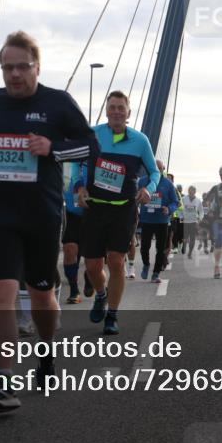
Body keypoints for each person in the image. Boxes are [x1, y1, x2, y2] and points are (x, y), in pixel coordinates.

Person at [0, 31, 95, 412]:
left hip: (42, 214)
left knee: (41, 295)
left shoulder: (58, 103)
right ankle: (2, 383)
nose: (14, 74)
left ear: (37, 67)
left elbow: (91, 145)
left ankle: (47, 351)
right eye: (7, 68)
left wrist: (53, 148)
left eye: (22, 67)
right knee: (0, 293)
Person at [78, 91, 159, 336]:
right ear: (106, 111)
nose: (116, 112)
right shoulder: (92, 134)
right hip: (95, 207)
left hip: (124, 208)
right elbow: (77, 163)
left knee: (115, 260)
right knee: (92, 266)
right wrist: (79, 187)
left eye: (120, 108)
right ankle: (101, 294)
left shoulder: (140, 140)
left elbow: (155, 172)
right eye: (112, 107)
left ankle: (112, 315)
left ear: (128, 112)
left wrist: (149, 188)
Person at [137, 160, 179, 282]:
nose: (157, 170)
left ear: (163, 169)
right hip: (147, 220)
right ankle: (146, 264)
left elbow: (175, 202)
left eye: (160, 168)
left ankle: (156, 273)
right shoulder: (142, 181)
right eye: (155, 168)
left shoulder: (168, 184)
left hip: (162, 221)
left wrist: (169, 209)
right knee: (144, 247)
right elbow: (135, 196)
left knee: (160, 249)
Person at [61, 161, 89, 303]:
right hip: (72, 213)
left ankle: (90, 277)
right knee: (69, 249)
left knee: (93, 258)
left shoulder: (97, 156)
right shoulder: (66, 162)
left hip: (94, 215)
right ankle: (74, 290)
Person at [180, 186, 204, 258]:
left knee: (192, 238)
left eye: (192, 191)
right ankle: (184, 245)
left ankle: (190, 253)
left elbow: (201, 211)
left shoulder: (198, 201)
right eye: (190, 191)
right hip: (185, 221)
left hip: (194, 221)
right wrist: (181, 218)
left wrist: (200, 218)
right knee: (185, 237)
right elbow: (180, 209)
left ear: (195, 192)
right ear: (188, 191)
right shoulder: (183, 199)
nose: (191, 192)